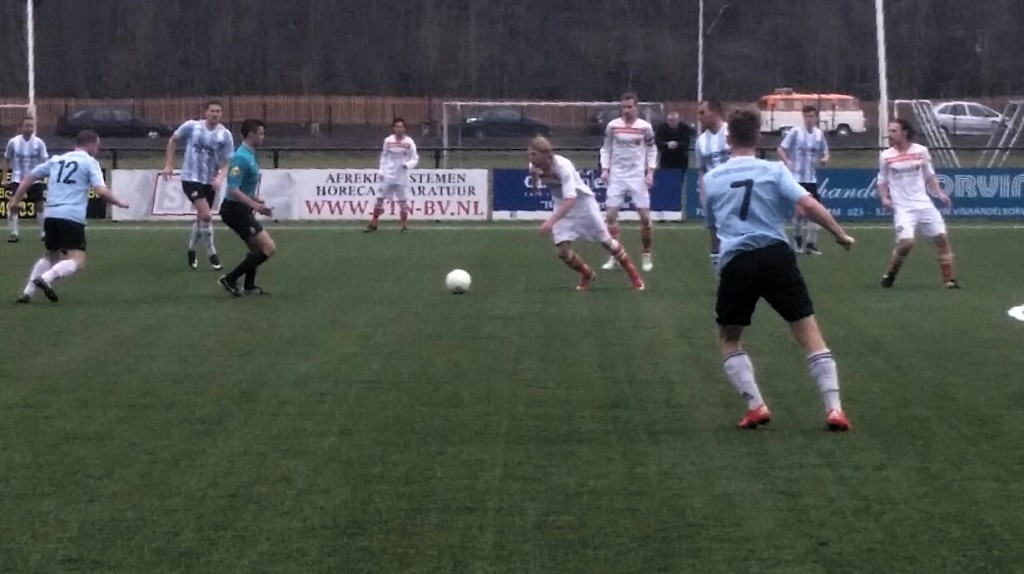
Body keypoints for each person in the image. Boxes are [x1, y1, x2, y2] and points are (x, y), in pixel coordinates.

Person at [703, 108, 854, 431]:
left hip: (738, 260)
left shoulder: (711, 179)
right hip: (775, 255)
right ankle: (835, 409)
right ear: (758, 137)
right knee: (807, 330)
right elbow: (809, 205)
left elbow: (714, 230)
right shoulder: (774, 170)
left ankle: (756, 406)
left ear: (728, 138)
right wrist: (839, 234)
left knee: (730, 338)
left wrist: (717, 263)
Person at [9, 130, 129, 303]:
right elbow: (100, 190)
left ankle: (27, 292)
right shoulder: (89, 162)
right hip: (71, 216)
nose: (98, 149)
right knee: (78, 260)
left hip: (51, 215)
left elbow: (29, 178)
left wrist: (15, 200)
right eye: (97, 145)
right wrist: (118, 202)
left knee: (50, 256)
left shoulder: (57, 160)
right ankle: (46, 278)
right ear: (90, 145)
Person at [529, 137, 644, 292]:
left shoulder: (563, 167)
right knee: (562, 251)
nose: (530, 157)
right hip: (561, 205)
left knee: (606, 242)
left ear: (545, 154)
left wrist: (550, 222)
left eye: (533, 154)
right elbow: (535, 179)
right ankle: (587, 273)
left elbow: (571, 199)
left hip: (582, 204)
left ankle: (635, 276)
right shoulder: (533, 166)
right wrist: (535, 183)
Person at [878, 119, 959, 289]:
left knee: (942, 238)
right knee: (907, 243)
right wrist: (885, 198)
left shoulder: (921, 151)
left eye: (894, 131)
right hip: (903, 207)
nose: (890, 135)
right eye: (890, 131)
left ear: (904, 132)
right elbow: (882, 180)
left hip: (924, 204)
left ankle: (949, 280)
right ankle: (890, 274)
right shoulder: (886, 156)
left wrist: (939, 193)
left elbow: (930, 175)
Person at [162, 100, 234, 271]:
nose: (215, 114)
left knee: (201, 218)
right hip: (190, 178)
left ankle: (191, 249)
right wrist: (169, 164)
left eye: (218, 111)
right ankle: (212, 254)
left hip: (209, 180)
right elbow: (173, 140)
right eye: (212, 111)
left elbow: (228, 161)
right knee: (207, 215)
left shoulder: (225, 135)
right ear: (205, 112)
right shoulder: (192, 126)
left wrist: (220, 177)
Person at [599, 92, 658, 272]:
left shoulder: (645, 127)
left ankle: (646, 255)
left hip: (637, 177)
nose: (626, 110)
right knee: (610, 216)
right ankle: (615, 255)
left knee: (645, 218)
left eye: (630, 107)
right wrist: (605, 168)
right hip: (617, 176)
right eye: (624, 107)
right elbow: (606, 148)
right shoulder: (613, 126)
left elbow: (652, 149)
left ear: (636, 108)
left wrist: (650, 172)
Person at [218, 119, 275, 297]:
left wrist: (255, 198)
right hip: (234, 210)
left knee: (256, 250)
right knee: (268, 247)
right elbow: (233, 189)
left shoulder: (249, 154)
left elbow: (243, 188)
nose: (263, 137)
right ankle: (230, 279)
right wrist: (256, 206)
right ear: (251, 135)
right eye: (261, 133)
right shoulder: (241, 157)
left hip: (241, 209)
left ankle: (249, 286)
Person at [777, 106, 830, 254]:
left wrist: (824, 159)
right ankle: (797, 238)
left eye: (811, 116)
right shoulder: (795, 132)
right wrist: (787, 161)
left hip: (811, 179)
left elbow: (825, 153)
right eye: (806, 116)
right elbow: (781, 149)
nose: (809, 119)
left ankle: (810, 244)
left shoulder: (819, 135)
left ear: (816, 118)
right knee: (800, 212)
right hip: (796, 179)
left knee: (815, 213)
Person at [695, 100, 731, 271]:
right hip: (713, 195)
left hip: (734, 192)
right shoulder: (701, 141)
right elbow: (701, 170)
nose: (699, 117)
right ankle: (720, 277)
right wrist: (703, 194)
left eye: (703, 113)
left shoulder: (731, 132)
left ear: (715, 112)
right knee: (714, 235)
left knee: (736, 234)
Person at [366, 118, 419, 233]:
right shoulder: (388, 141)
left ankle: (404, 226)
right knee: (380, 198)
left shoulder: (409, 142)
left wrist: (408, 165)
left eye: (401, 127)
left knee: (403, 200)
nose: (399, 129)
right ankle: (374, 223)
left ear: (404, 128)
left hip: (402, 175)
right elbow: (384, 156)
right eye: (397, 127)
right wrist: (381, 170)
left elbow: (415, 158)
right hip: (388, 175)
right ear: (393, 128)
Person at [4, 116, 48, 243]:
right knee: (13, 205)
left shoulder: (39, 142)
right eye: (27, 125)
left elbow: (44, 160)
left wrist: (45, 175)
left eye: (31, 126)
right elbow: (7, 159)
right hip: (17, 178)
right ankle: (14, 233)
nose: (29, 128)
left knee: (40, 205)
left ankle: (43, 233)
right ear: (21, 127)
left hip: (35, 178)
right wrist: (4, 178)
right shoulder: (13, 142)